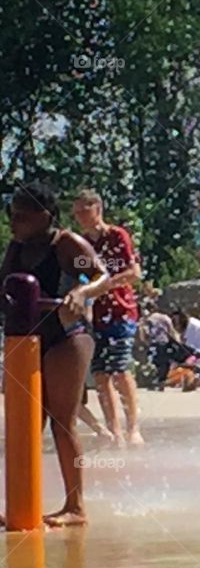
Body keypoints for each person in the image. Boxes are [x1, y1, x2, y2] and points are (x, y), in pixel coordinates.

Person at [0, 181, 117, 527]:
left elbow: (102, 276)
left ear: (44, 216)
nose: (13, 222)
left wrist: (81, 292)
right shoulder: (15, 249)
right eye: (11, 215)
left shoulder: (66, 244)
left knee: (62, 420)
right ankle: (21, 502)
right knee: (25, 424)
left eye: (21, 216)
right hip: (28, 340)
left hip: (68, 336)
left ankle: (75, 507)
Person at [72, 189, 145, 447]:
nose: (79, 216)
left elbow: (133, 272)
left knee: (121, 370)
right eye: (76, 212)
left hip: (121, 310)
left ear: (97, 208)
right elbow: (81, 277)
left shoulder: (117, 236)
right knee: (101, 374)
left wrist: (105, 285)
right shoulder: (81, 243)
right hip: (96, 315)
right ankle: (114, 431)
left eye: (83, 210)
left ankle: (133, 429)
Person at [170, 310, 200, 391]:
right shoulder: (189, 324)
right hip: (197, 350)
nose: (177, 325)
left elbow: (188, 345)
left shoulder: (192, 326)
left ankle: (192, 380)